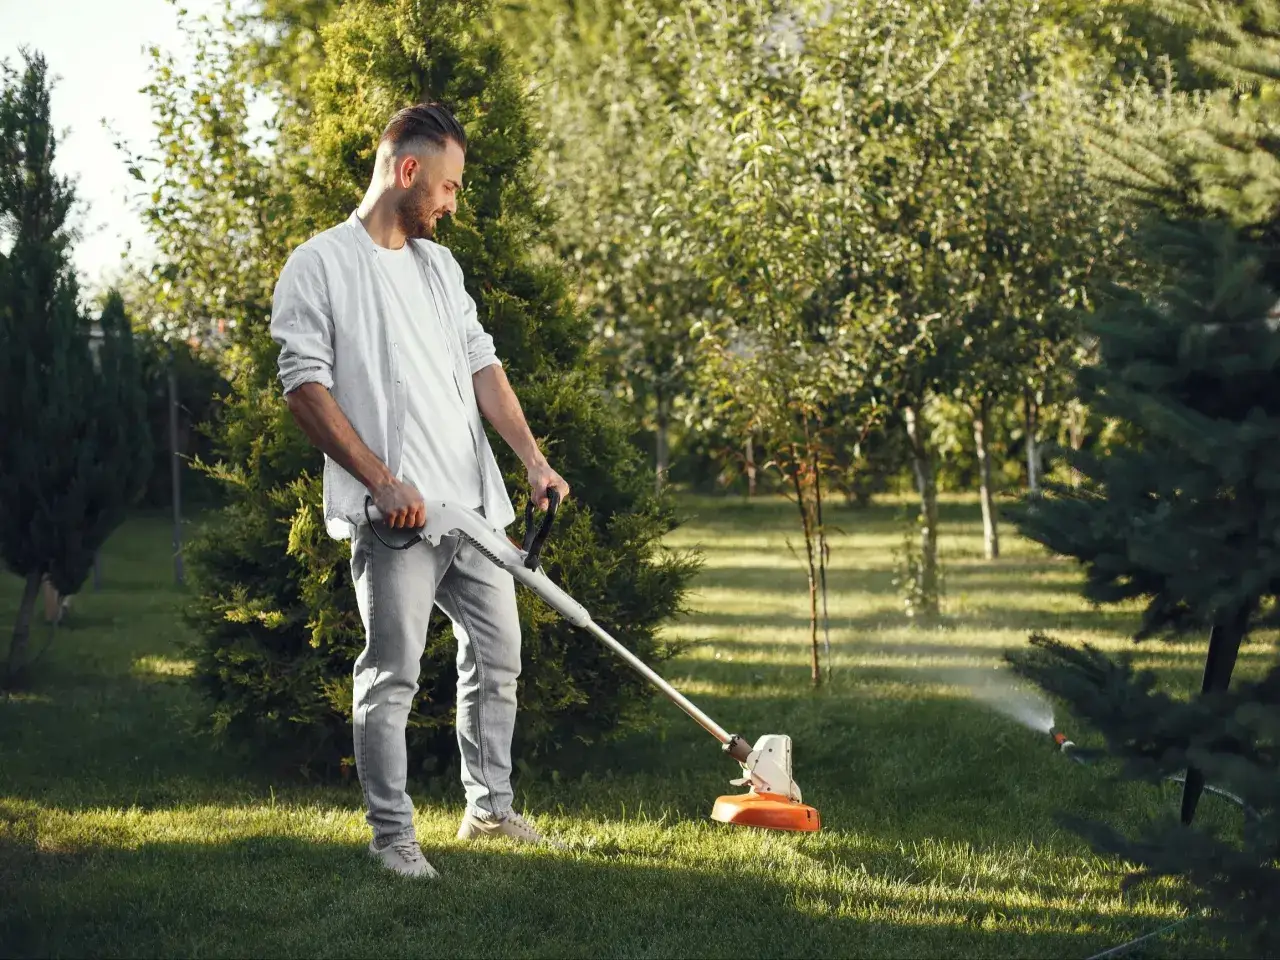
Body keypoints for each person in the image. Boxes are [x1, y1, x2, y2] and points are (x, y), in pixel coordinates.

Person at [270, 101, 570, 879]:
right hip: (397, 518)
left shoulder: (440, 269)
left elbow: (483, 366)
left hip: (470, 513)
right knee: (391, 676)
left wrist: (533, 460)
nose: (452, 203)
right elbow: (304, 386)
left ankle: (490, 810)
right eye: (448, 186)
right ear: (408, 170)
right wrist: (381, 480)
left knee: (498, 660)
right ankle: (392, 836)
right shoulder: (320, 265)